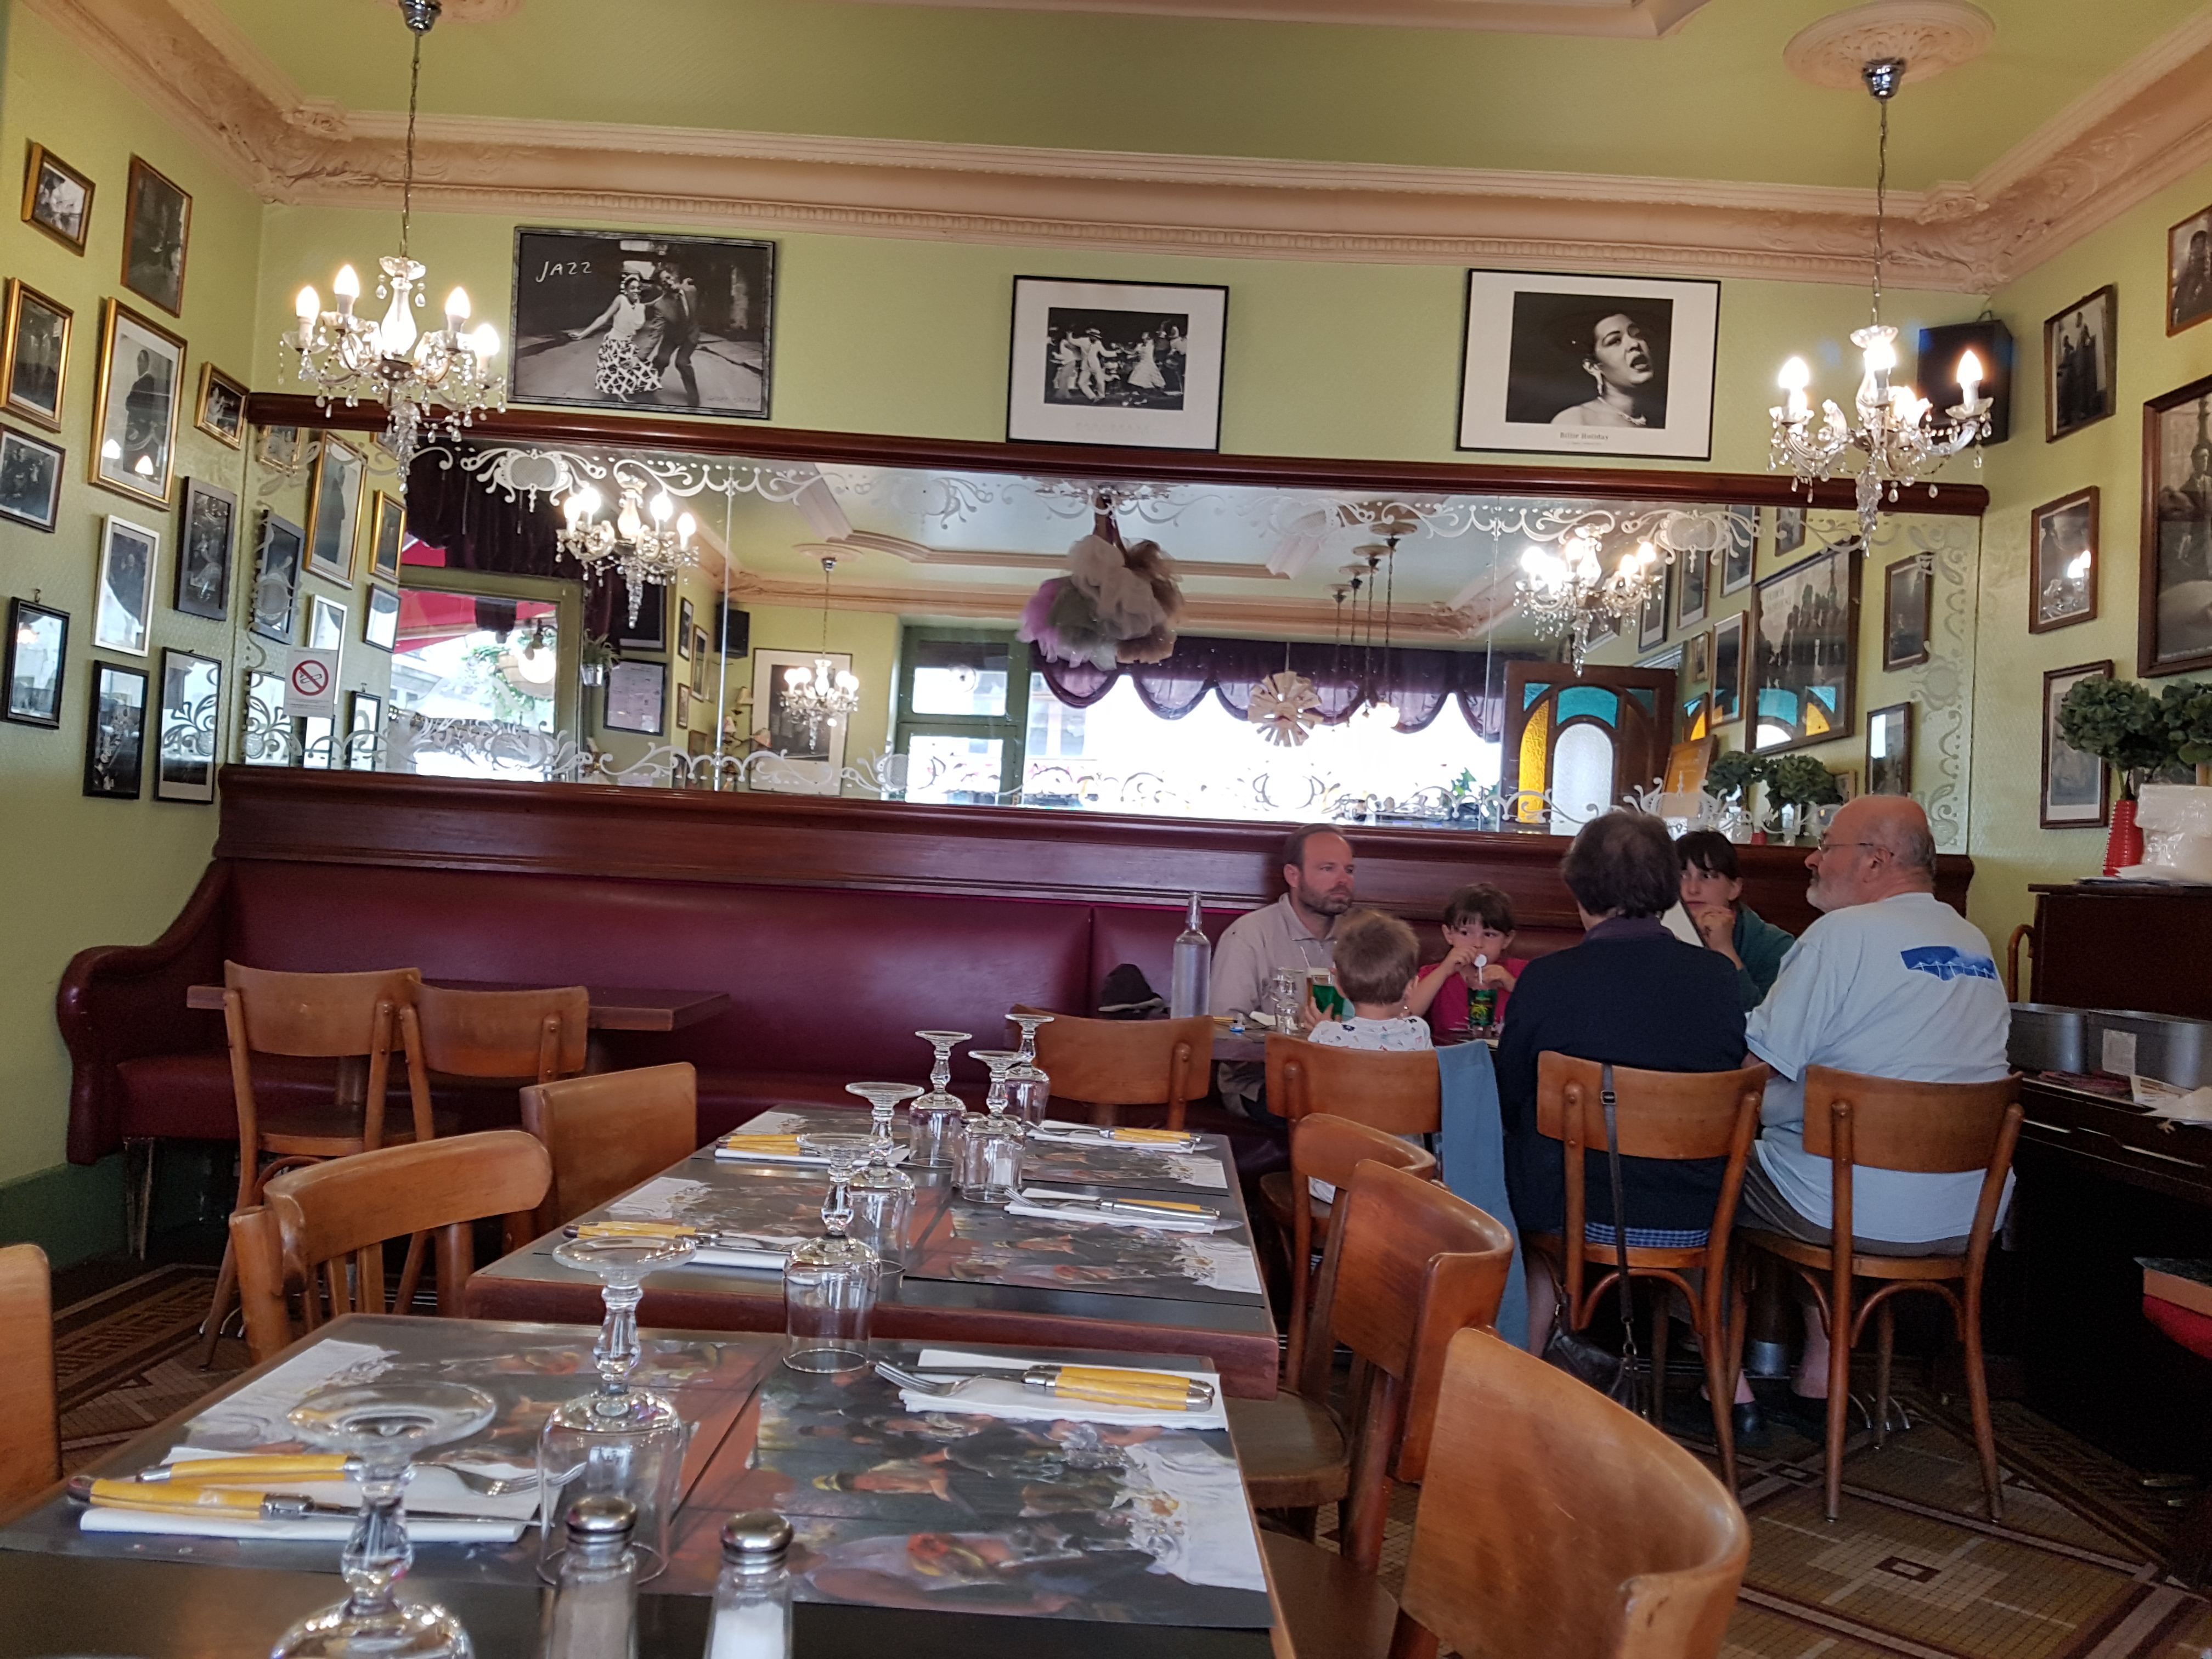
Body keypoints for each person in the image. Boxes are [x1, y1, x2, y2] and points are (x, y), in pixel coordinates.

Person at [1739, 795, 2011, 1405]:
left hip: (1845, 1205)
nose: (1812, 860)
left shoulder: (1842, 935)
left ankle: (1727, 1387)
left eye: (1826, 846)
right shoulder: (1974, 942)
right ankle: (1820, 1374)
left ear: (1875, 861)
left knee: (1711, 1169)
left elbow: (1751, 1074)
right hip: (1968, 1214)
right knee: (1819, 1159)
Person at [1496, 812, 1746, 1357]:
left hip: (1570, 1211)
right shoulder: (1720, 979)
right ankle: (1725, 1381)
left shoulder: (1547, 980)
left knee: (1502, 1164)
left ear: (1579, 888)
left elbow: (1510, 1100)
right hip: (1693, 1212)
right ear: (1669, 888)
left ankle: (1522, 1365)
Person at [1210, 824, 1356, 1116]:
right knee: (1327, 1103)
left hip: (1349, 1073)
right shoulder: (1250, 934)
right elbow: (1223, 1026)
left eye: (1349, 870)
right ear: (1293, 875)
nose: (1343, 880)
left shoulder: (1363, 935)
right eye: (1328, 869)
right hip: (1261, 1079)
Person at [1676, 830, 1795, 1009]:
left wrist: (1725, 950)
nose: (1692, 889)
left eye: (1708, 876)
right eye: (1681, 876)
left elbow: (1769, 1022)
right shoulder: (1658, 934)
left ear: (1734, 888)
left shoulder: (1775, 947)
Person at [1406, 883, 1528, 1038]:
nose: (1478, 944)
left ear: (1507, 940)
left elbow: (1547, 1014)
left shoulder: (1523, 972)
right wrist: (1444, 971)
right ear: (1449, 934)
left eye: (1489, 935)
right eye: (1465, 933)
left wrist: (1512, 985)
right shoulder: (1433, 974)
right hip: (1448, 1052)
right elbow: (1406, 1015)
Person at [1309, 911, 1432, 1052]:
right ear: (1412, 986)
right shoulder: (1418, 1031)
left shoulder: (1325, 1034)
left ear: (1339, 986)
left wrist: (1324, 1028)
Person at [1552, 309, 1660, 428]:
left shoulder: (1661, 418)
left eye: (1638, 335)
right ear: (1593, 367)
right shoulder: (1576, 420)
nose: (1634, 344)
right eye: (1615, 341)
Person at [567, 273, 661, 400]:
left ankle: (623, 397)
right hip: (614, 343)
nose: (636, 291)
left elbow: (656, 303)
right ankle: (622, 399)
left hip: (628, 344)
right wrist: (583, 334)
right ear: (626, 290)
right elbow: (604, 318)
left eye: (638, 288)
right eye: (632, 288)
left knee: (641, 371)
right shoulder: (621, 300)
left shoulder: (639, 306)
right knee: (618, 372)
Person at [648, 261, 702, 407]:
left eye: (668, 278)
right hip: (672, 336)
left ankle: (694, 396)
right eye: (663, 282)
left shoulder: (691, 290)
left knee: (682, 363)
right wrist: (640, 356)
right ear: (661, 286)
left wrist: (682, 286)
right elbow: (655, 333)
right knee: (661, 360)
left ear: (674, 276)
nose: (667, 282)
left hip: (690, 335)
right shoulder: (661, 304)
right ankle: (648, 386)